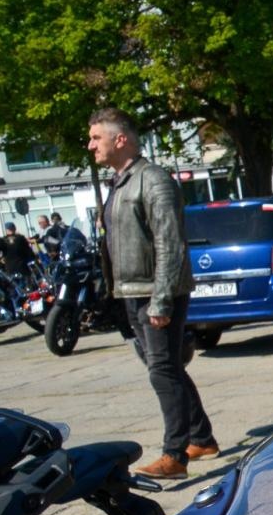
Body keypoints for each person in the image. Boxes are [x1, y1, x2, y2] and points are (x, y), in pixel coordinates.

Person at [86, 106, 217, 480]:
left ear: (120, 139)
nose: (90, 144)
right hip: (131, 291)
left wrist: (161, 300)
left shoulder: (153, 179)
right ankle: (202, 438)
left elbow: (170, 244)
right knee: (168, 368)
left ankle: (174, 455)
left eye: (97, 137)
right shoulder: (120, 182)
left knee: (162, 371)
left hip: (157, 292)